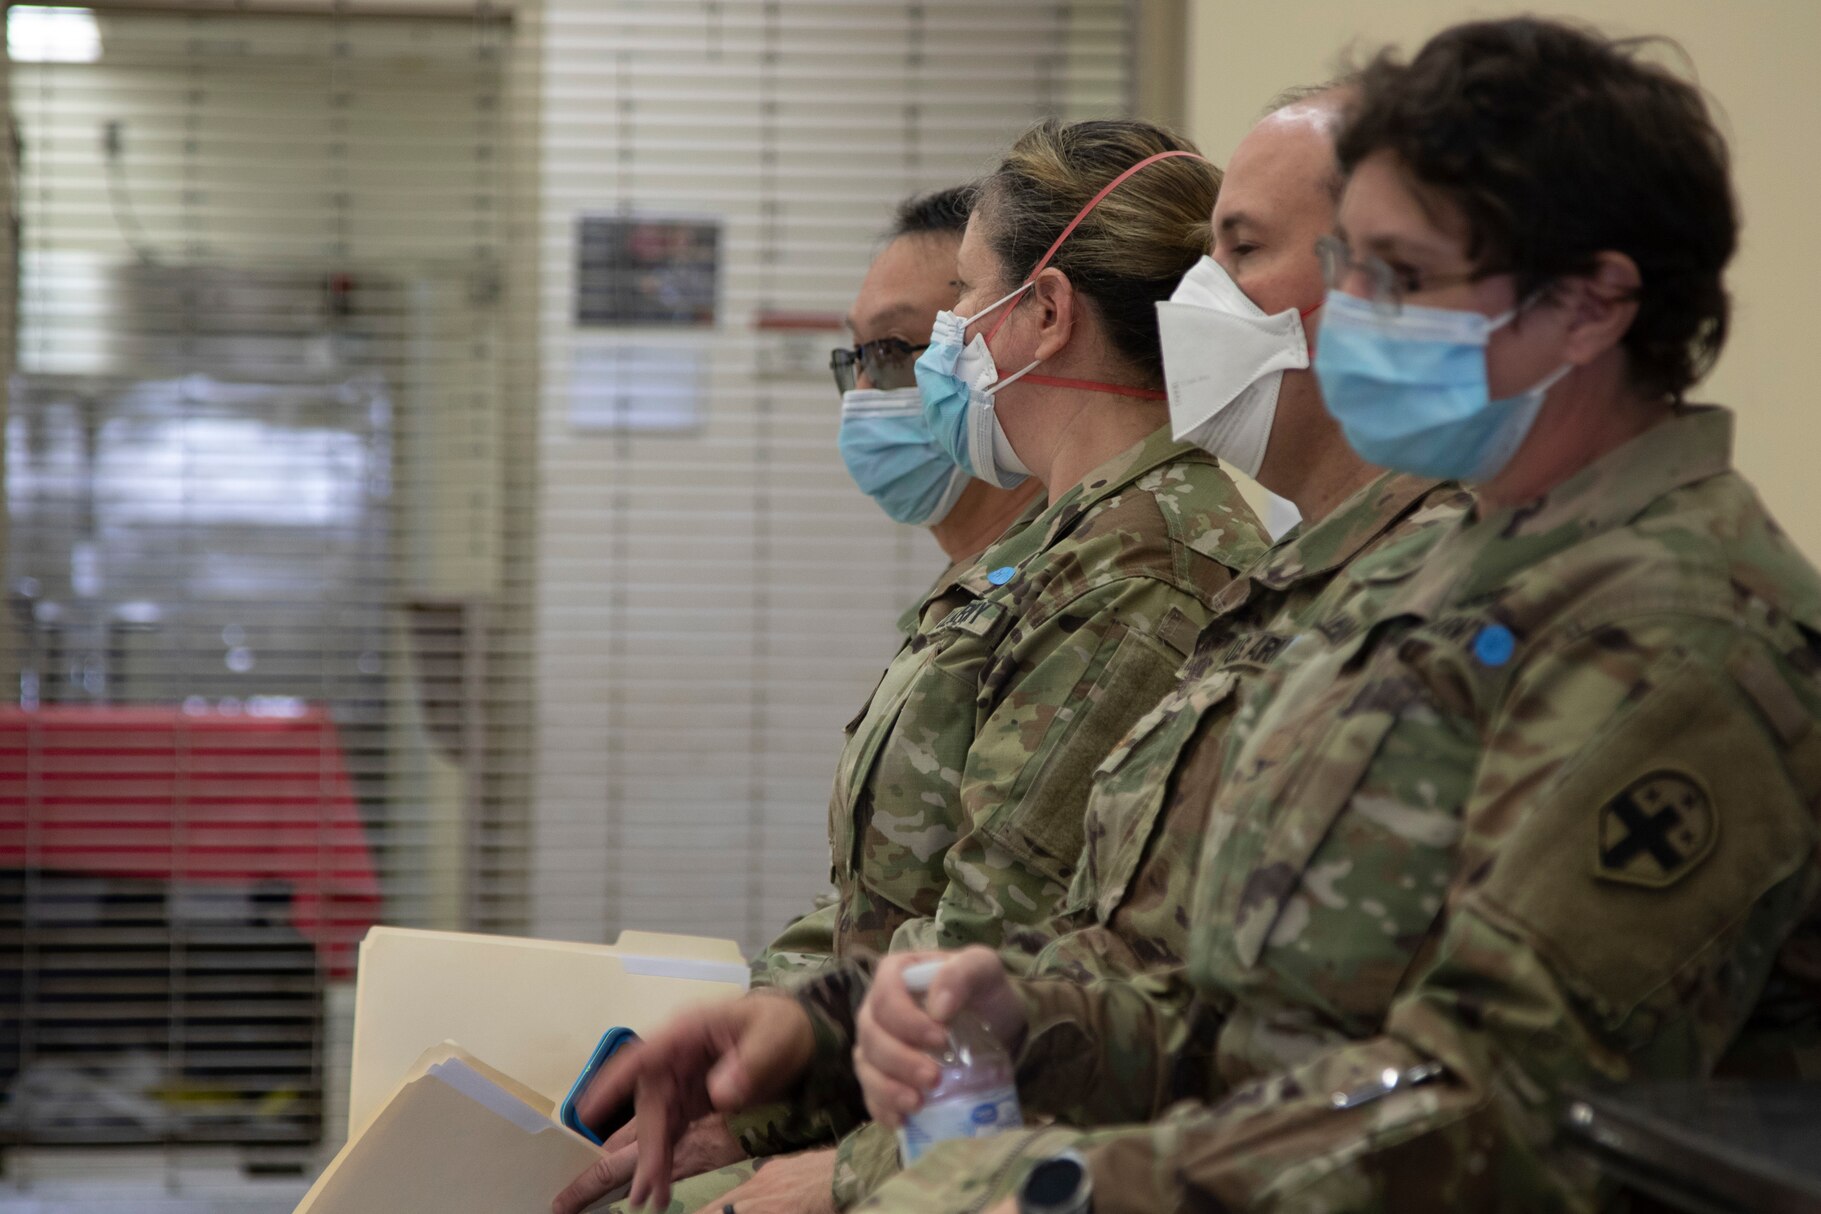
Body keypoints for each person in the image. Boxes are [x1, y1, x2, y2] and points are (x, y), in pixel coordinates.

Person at [838, 17, 1821, 1212]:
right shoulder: (1422, 579)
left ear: (1591, 304)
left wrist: (1072, 1184)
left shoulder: (1686, 629)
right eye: (1347, 266)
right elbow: (1236, 1007)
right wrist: (1023, 1012)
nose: (1345, 314)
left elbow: (1501, 1107)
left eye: (1400, 277)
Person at [567, 80, 1476, 1214]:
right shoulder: (1257, 569)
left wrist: (849, 1159)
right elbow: (1091, 962)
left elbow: (1047, 938)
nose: (1204, 294)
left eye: (954, 309)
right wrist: (789, 1039)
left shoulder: (1174, 559)